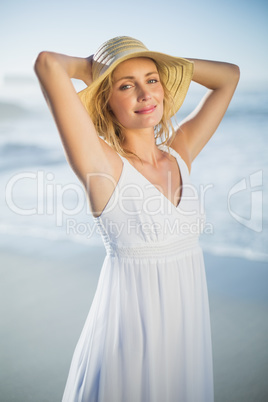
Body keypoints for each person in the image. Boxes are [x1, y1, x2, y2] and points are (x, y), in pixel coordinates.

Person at [34, 36, 240, 402]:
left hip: (185, 329)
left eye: (152, 80)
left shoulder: (180, 154)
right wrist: (93, 68)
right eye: (126, 86)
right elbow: (48, 63)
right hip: (130, 337)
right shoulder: (103, 167)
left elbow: (230, 76)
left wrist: (158, 64)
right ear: (106, 102)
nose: (146, 95)